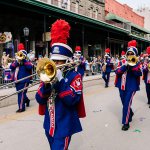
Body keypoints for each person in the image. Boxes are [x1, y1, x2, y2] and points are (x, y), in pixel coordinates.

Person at [35, 19, 86, 150]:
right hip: (49, 125)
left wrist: (60, 81)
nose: (56, 65)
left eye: (59, 61)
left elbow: (72, 100)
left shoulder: (74, 76)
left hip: (64, 126)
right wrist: (46, 85)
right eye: (54, 61)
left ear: (67, 61)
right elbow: (39, 99)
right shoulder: (47, 76)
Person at [115, 40, 142, 131]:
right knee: (124, 103)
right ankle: (129, 113)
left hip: (131, 86)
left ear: (134, 54)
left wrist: (132, 65)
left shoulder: (137, 62)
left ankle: (126, 123)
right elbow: (117, 72)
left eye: (132, 53)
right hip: (121, 86)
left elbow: (138, 74)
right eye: (128, 53)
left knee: (126, 104)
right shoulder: (122, 61)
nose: (130, 55)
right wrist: (125, 65)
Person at [10, 43, 33, 112]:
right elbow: (11, 67)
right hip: (17, 81)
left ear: (25, 56)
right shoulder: (16, 62)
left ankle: (21, 108)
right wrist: (17, 62)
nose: (20, 56)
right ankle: (27, 100)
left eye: (22, 55)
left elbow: (30, 67)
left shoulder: (27, 62)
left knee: (21, 94)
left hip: (24, 80)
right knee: (21, 94)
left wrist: (24, 60)